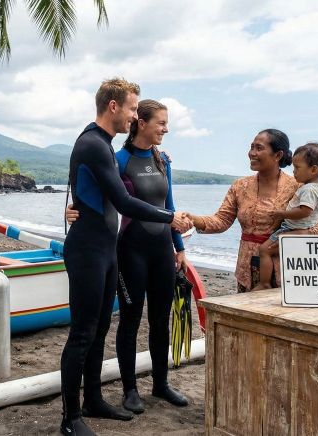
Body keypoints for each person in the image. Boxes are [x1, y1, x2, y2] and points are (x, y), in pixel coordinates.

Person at [60, 79, 191, 436]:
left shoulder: (103, 144)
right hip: (88, 249)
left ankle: (93, 400)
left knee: (100, 329)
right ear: (114, 106)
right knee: (82, 334)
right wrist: (170, 218)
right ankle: (70, 419)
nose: (135, 115)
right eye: (133, 109)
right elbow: (122, 201)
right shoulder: (94, 144)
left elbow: (87, 190)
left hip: (105, 248)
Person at [183, 129, 318, 292]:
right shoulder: (240, 186)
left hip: (286, 270)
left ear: (278, 155)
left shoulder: (299, 187)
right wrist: (192, 219)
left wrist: (300, 235)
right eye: (251, 147)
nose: (252, 153)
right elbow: (222, 220)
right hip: (246, 268)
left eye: (259, 148)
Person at [253, 142, 318, 291]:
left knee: (264, 250)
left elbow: (304, 212)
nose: (294, 171)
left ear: (314, 169)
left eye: (297, 167)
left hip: (291, 228)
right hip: (305, 227)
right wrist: (316, 215)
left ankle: (264, 283)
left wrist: (282, 213)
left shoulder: (308, 189)